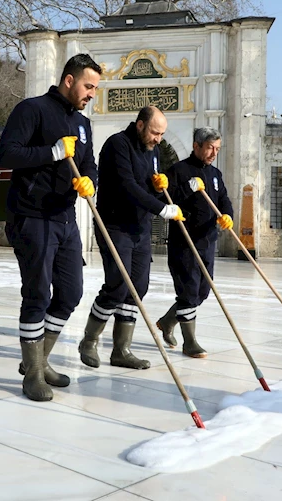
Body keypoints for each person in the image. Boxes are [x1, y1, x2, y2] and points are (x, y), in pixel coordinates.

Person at [0, 54, 100, 402]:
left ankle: (39, 361)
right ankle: (33, 374)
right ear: (69, 80)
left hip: (64, 218)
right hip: (32, 215)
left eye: (95, 88)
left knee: (70, 293)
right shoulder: (32, 110)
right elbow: (6, 155)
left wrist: (89, 180)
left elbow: (89, 164)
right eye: (88, 86)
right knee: (38, 294)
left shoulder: (83, 124)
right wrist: (52, 153)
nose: (91, 94)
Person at [78, 106, 184, 371]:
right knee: (118, 285)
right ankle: (89, 340)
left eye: (162, 134)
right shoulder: (117, 145)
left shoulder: (153, 151)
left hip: (140, 228)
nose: (158, 139)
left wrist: (158, 189)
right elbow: (127, 187)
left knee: (138, 287)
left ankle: (121, 350)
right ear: (140, 125)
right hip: (114, 225)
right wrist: (161, 209)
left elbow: (146, 188)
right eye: (155, 132)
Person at [156, 127, 234, 359]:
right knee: (189, 291)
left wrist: (227, 214)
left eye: (217, 149)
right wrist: (188, 188)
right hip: (184, 241)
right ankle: (189, 342)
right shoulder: (179, 170)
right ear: (196, 146)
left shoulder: (216, 174)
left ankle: (168, 321)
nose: (214, 153)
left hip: (207, 240)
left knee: (202, 291)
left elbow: (223, 199)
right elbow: (165, 199)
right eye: (210, 148)